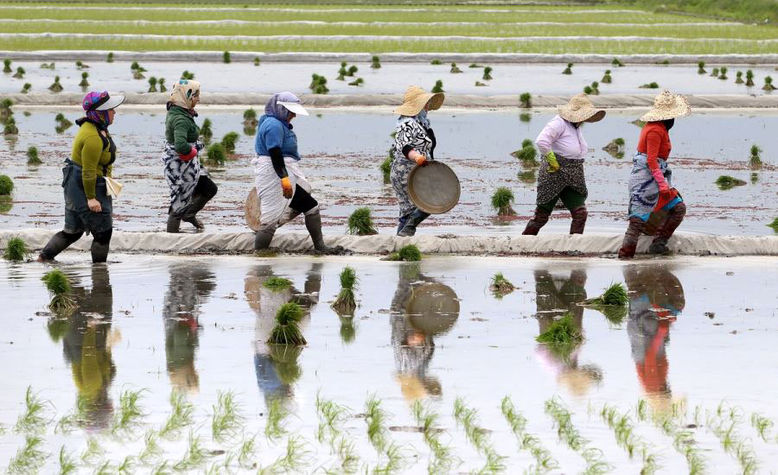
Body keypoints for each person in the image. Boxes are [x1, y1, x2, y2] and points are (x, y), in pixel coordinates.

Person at [38, 91, 124, 263]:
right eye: (111, 109)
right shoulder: (93, 136)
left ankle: (43, 258)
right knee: (103, 233)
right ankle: (100, 272)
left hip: (76, 183)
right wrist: (91, 199)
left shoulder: (97, 128)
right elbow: (89, 171)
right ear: (100, 113)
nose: (115, 112)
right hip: (85, 185)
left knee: (73, 231)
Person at [252, 92, 343, 254]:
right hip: (274, 173)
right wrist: (284, 179)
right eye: (290, 111)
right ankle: (259, 254)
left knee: (310, 205)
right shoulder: (273, 125)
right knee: (270, 220)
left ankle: (320, 247)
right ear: (280, 109)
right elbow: (274, 152)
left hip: (280, 170)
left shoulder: (275, 122)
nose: (293, 115)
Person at [619, 90, 690, 258]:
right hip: (644, 181)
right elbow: (651, 160)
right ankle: (625, 257)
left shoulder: (660, 128)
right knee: (637, 221)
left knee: (678, 207)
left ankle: (658, 244)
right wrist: (663, 185)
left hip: (655, 177)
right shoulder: (655, 130)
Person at [523, 94, 605, 235]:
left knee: (580, 214)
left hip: (573, 174)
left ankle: (574, 246)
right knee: (541, 217)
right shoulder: (558, 123)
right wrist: (552, 160)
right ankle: (524, 242)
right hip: (554, 173)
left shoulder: (575, 126)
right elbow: (541, 141)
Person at [162, 79, 218, 233]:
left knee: (209, 188)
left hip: (190, 165)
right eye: (195, 95)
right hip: (181, 168)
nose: (198, 99)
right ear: (185, 97)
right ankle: (172, 242)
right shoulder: (180, 119)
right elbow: (180, 146)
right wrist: (193, 150)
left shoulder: (180, 111)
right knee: (178, 205)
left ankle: (189, 213)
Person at [392, 85, 444, 236]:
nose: (427, 107)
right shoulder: (406, 123)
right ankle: (406, 233)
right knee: (428, 201)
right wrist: (417, 157)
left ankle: (402, 239)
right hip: (405, 172)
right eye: (425, 104)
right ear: (418, 106)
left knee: (409, 210)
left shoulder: (421, 123)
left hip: (419, 171)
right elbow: (403, 146)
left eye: (427, 103)